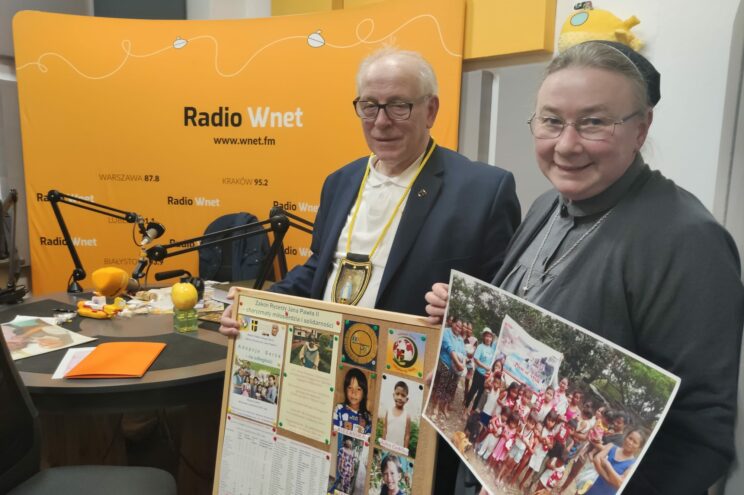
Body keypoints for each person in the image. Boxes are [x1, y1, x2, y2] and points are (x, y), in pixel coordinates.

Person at [426, 40, 744, 494]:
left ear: (641, 128)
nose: (567, 145)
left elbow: (700, 439)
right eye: (551, 121)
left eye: (594, 122)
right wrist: (463, 311)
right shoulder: (547, 205)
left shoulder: (688, 241)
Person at [585, 429, 646, 495]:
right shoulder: (611, 447)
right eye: (630, 438)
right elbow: (596, 459)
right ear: (626, 437)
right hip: (592, 489)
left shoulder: (633, 465)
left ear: (639, 448)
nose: (630, 442)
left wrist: (608, 466)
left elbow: (620, 484)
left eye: (635, 442)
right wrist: (610, 479)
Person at [463, 327, 496, 417]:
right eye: (487, 336)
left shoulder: (492, 350)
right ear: (484, 337)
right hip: (478, 374)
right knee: (472, 391)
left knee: (480, 395)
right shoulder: (480, 347)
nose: (488, 338)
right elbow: (476, 359)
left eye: (490, 337)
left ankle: (472, 411)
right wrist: (485, 367)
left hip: (486, 377)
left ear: (492, 338)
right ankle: (465, 409)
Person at [333, 368, 372, 436]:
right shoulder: (339, 409)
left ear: (364, 393)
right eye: (350, 388)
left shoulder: (367, 417)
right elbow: (334, 434)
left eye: (358, 389)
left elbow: (367, 438)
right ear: (345, 389)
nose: (354, 393)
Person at [383, 381, 411, 451]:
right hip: (386, 448)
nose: (399, 397)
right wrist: (382, 445)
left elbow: (407, 435)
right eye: (397, 394)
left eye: (403, 395)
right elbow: (385, 429)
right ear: (393, 395)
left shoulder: (407, 416)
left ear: (406, 399)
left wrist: (404, 451)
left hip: (399, 451)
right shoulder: (388, 411)